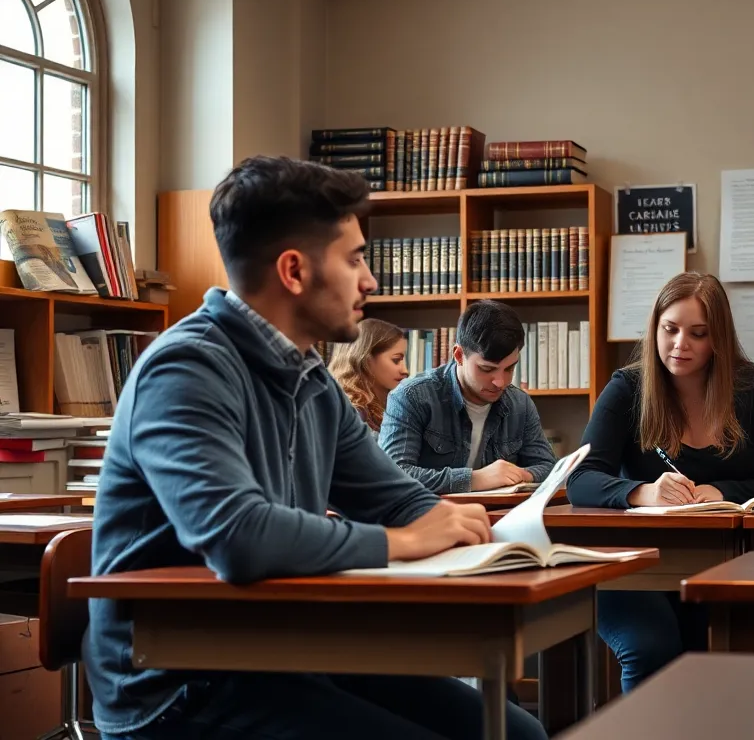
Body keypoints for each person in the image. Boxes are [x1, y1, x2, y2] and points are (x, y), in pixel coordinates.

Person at [83, 156, 547, 740]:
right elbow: (237, 537)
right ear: (294, 270)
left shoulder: (312, 378)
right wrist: (403, 541)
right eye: (354, 259)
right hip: (180, 682)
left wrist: (487, 537)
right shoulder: (187, 368)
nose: (370, 281)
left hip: (287, 649)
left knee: (519, 733)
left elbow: (395, 495)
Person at [566, 271, 754, 692]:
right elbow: (578, 478)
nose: (679, 345)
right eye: (669, 329)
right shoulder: (627, 388)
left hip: (721, 566)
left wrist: (722, 492)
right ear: (655, 327)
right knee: (651, 647)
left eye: (698, 333)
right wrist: (640, 491)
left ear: (718, 339)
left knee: (721, 651)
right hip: (634, 566)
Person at [379, 299, 556, 494]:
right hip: (430, 518)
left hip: (499, 518)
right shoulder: (411, 396)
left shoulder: (520, 403)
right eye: (487, 369)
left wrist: (523, 475)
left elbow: (548, 466)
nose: (501, 382)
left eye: (509, 368)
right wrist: (476, 479)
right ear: (459, 355)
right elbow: (391, 477)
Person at [328, 317, 408, 439]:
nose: (405, 371)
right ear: (366, 360)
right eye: (396, 360)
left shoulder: (391, 406)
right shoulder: (353, 413)